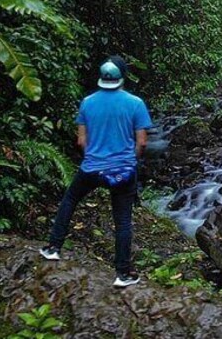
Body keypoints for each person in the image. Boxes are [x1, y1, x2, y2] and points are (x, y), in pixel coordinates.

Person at [39, 55, 152, 288]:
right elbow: (141, 143)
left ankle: (53, 247)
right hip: (123, 171)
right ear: (122, 78)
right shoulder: (135, 103)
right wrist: (131, 162)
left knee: (70, 199)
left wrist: (94, 159)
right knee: (122, 221)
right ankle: (123, 273)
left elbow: (81, 141)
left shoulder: (87, 103)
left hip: (91, 168)